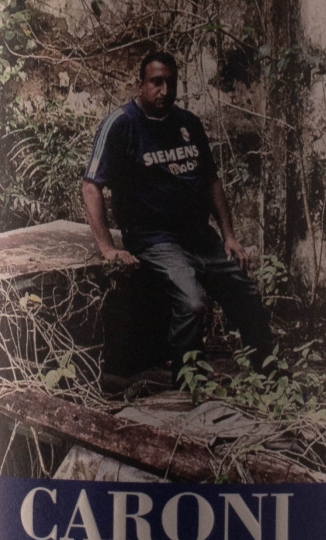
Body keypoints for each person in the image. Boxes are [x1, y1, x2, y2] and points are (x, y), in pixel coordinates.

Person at [81, 50, 275, 387]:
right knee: (192, 302)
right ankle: (189, 382)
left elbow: (211, 181)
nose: (165, 90)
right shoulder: (122, 124)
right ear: (140, 85)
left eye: (171, 83)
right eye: (156, 82)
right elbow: (90, 186)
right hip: (153, 239)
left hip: (199, 236)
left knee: (245, 293)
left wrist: (229, 235)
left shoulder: (188, 123)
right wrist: (108, 248)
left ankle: (271, 375)